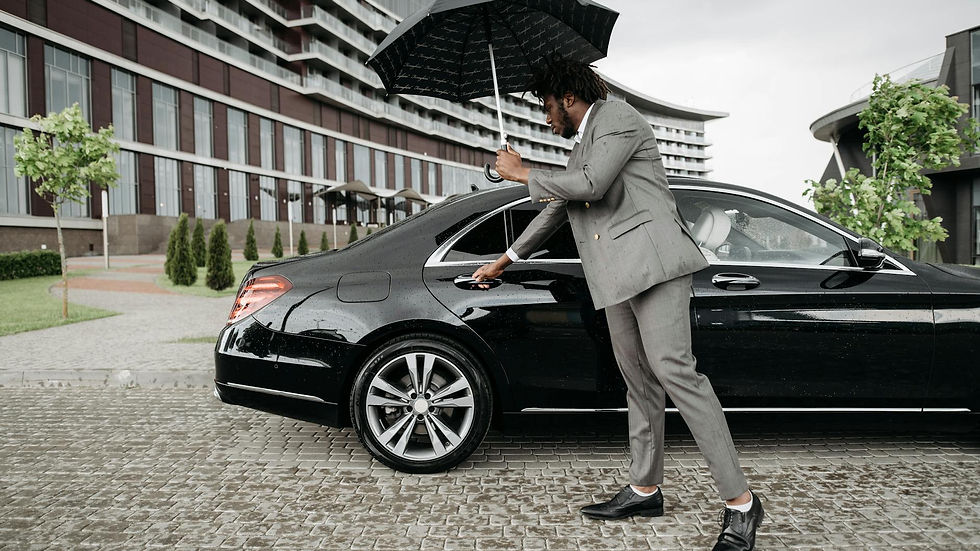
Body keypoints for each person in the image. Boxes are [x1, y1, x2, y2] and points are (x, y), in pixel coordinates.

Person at [471, 59, 764, 551]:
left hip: (654, 267)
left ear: (568, 98)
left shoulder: (617, 118)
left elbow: (591, 186)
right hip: (614, 278)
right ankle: (645, 489)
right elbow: (562, 206)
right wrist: (505, 259)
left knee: (676, 374)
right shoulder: (585, 142)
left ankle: (742, 503)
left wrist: (523, 172)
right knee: (639, 382)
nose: (545, 119)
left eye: (546, 107)